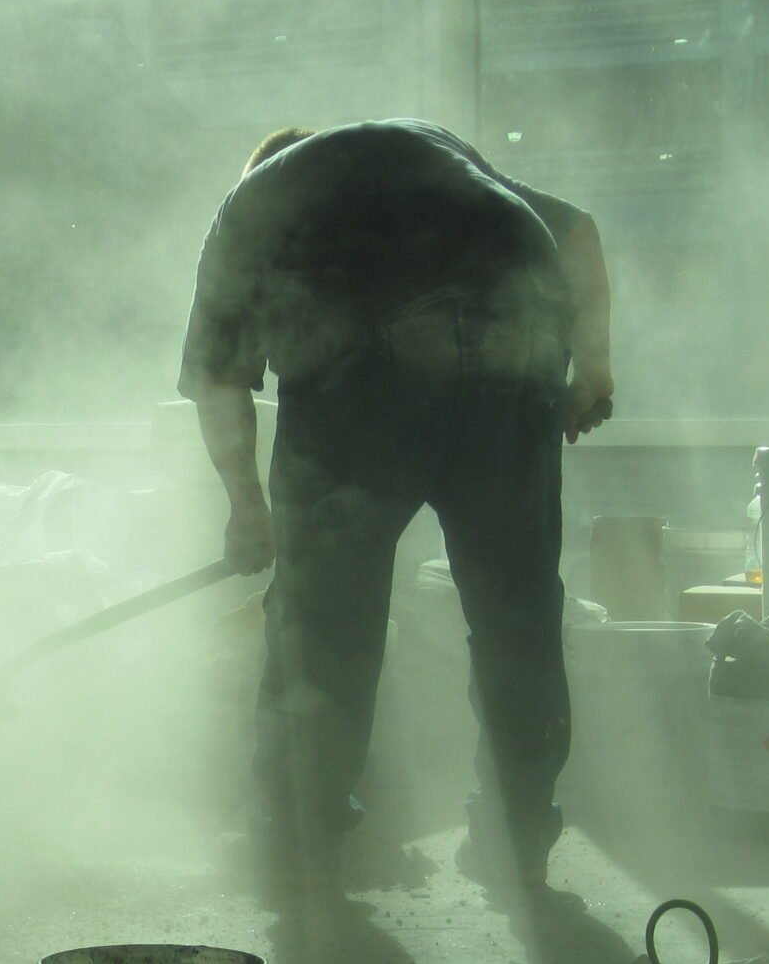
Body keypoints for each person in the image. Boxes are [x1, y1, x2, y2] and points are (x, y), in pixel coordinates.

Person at [180, 120, 614, 902]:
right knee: (515, 617)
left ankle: (297, 855)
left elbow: (219, 382)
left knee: (323, 626)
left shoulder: (251, 203)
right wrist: (594, 370)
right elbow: (577, 232)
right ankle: (516, 844)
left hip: (367, 372)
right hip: (518, 341)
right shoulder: (432, 155)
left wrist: (247, 512)